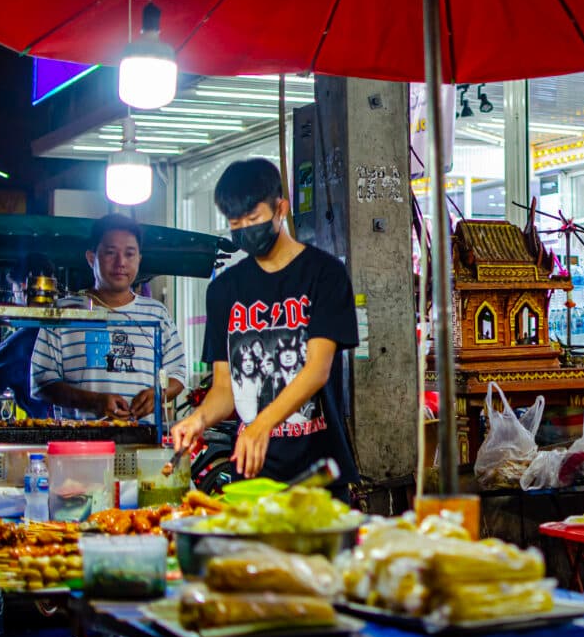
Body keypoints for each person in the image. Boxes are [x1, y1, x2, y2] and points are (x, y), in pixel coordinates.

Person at [171, 158, 360, 489]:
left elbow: (317, 369)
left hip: (317, 470)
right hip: (253, 472)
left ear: (281, 208)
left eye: (254, 218)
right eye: (235, 222)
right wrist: (197, 419)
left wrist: (262, 424)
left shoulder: (324, 274)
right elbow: (224, 389)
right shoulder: (223, 291)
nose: (245, 229)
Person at [30, 215, 186, 424]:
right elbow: (40, 383)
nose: (121, 263)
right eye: (110, 253)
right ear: (91, 258)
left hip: (143, 443)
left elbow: (178, 374)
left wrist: (159, 393)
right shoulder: (64, 312)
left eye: (129, 254)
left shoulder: (157, 313)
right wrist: (94, 402)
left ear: (139, 259)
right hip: (79, 446)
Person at [0, 254, 56, 419]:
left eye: (14, 289)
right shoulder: (67, 332)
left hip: (44, 431)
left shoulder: (20, 343)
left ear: (22, 288)